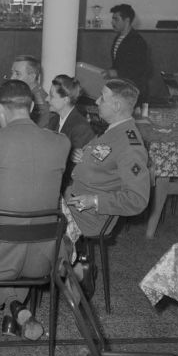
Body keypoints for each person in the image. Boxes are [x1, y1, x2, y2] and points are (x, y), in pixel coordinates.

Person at [0, 80, 70, 341]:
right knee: (20, 230)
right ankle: (15, 310)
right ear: (31, 106)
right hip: (47, 255)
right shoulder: (61, 143)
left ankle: (13, 305)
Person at [65, 78, 150, 237]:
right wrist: (84, 156)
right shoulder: (115, 131)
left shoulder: (130, 146)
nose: (97, 101)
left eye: (102, 98)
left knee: (36, 221)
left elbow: (137, 199)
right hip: (75, 202)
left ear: (117, 106)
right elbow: (106, 160)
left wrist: (95, 201)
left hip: (90, 217)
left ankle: (69, 259)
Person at [47, 74, 95, 192]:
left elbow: (75, 170)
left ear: (65, 100)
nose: (46, 99)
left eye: (51, 96)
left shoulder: (80, 127)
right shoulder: (54, 120)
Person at [108, 3, 151, 105]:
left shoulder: (138, 41)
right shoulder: (118, 38)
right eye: (112, 19)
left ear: (127, 20)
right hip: (122, 89)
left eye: (116, 19)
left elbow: (142, 68)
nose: (112, 22)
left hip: (134, 92)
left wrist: (118, 73)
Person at [8, 55, 50, 127]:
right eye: (12, 73)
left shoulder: (39, 103)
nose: (12, 78)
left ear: (31, 77)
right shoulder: (27, 95)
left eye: (17, 74)